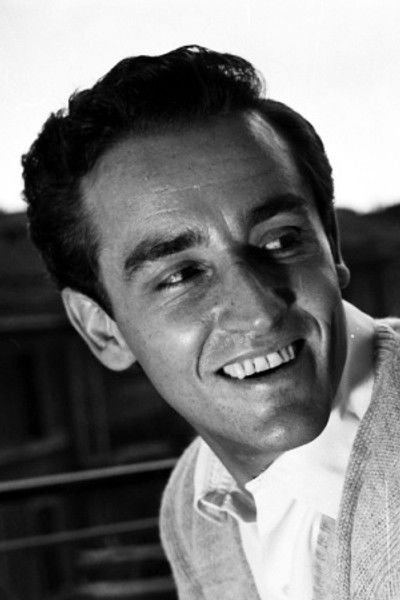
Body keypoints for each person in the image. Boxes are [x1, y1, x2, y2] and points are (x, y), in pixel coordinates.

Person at [22, 46, 400, 600]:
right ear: (103, 329)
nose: (258, 311)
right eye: (181, 275)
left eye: (281, 240)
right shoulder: (196, 498)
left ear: (332, 246)